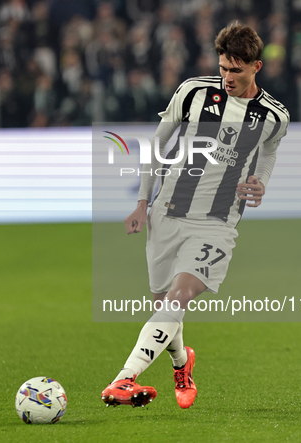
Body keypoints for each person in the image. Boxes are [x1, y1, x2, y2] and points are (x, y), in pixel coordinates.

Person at [101, 23, 290, 409]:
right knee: (163, 306)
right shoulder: (192, 92)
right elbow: (157, 144)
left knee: (179, 296)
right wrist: (142, 202)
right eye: (223, 68)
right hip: (167, 213)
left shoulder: (274, 116)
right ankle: (182, 362)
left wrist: (262, 182)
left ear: (257, 67)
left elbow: (268, 153)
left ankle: (123, 380)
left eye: (236, 70)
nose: (227, 77)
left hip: (216, 224)